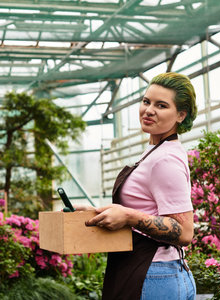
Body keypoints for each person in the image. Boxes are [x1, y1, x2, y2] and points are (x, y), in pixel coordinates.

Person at [75, 72, 197, 300]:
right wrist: (97, 213)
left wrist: (129, 216)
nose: (149, 110)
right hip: (153, 272)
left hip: (154, 276)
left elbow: (184, 231)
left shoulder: (165, 159)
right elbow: (146, 206)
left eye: (161, 105)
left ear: (181, 115)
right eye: (146, 101)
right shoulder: (155, 151)